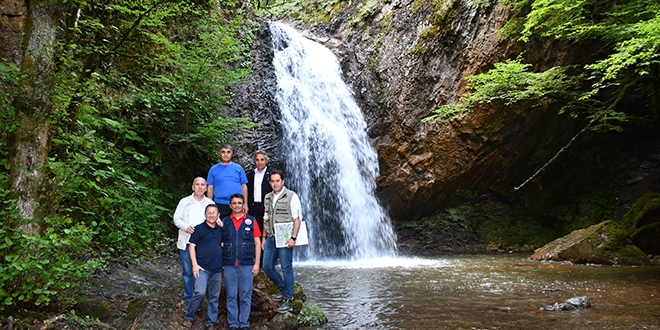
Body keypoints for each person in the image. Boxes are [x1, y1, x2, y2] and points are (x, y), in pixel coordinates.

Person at [261, 169, 301, 313]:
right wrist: (264, 238)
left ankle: (289, 299)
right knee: (267, 266)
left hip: (285, 238)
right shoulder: (267, 198)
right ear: (270, 182)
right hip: (271, 237)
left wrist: (293, 238)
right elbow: (265, 219)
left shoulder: (292, 196)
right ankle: (285, 290)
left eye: (278, 181)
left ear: (282, 181)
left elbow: (297, 219)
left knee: (286, 268)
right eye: (272, 181)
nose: (275, 183)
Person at [173, 177, 215, 313]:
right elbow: (176, 218)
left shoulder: (209, 202)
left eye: (203, 185)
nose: (200, 187)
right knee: (187, 272)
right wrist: (185, 227)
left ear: (206, 187)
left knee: (203, 272)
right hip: (187, 241)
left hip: (204, 246)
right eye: (197, 184)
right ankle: (189, 299)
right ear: (193, 187)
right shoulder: (185, 202)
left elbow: (216, 218)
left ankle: (201, 299)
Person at [222, 194, 262, 330]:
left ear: (243, 204)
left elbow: (257, 243)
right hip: (229, 264)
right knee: (231, 295)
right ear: (230, 205)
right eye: (234, 203)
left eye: (239, 203)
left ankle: (244, 322)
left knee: (246, 295)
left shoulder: (251, 221)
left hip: (246, 264)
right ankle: (233, 323)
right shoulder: (225, 221)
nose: (237, 205)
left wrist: (257, 264)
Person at [183, 204, 224, 329]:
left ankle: (211, 322)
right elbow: (192, 246)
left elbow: (223, 244)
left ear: (218, 215)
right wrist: (194, 265)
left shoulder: (221, 230)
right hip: (202, 267)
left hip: (217, 269)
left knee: (214, 297)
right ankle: (189, 316)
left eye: (214, 213)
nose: (211, 215)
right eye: (209, 213)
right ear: (205, 215)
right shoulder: (199, 229)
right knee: (200, 292)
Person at [206, 144, 248, 219]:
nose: (226, 154)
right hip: (219, 204)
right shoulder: (213, 169)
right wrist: (210, 205)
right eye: (223, 152)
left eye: (228, 152)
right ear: (219, 153)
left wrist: (245, 204)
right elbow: (210, 188)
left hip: (236, 204)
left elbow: (244, 186)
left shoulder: (238, 168)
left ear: (232, 153)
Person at [246, 150, 272, 236]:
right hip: (254, 208)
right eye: (257, 160)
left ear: (266, 161)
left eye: (262, 159)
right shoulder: (250, 176)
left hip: (268, 207)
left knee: (269, 231)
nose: (259, 162)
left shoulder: (272, 174)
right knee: (255, 232)